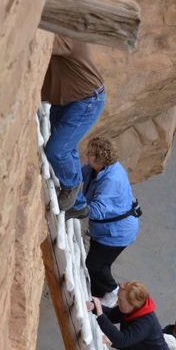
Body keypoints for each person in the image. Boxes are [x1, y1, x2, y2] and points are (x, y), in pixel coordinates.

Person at [42, 29, 105, 213]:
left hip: (85, 102)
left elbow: (41, 40)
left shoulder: (68, 35)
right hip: (67, 100)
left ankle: (70, 188)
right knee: (67, 149)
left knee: (57, 151)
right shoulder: (65, 32)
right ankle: (78, 206)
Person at [80, 136, 139, 303]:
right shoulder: (95, 168)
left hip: (117, 232)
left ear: (100, 158)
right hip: (105, 229)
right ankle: (96, 297)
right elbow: (80, 175)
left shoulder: (112, 180)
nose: (87, 155)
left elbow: (97, 210)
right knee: (96, 265)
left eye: (91, 154)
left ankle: (113, 292)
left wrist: (73, 208)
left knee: (96, 265)